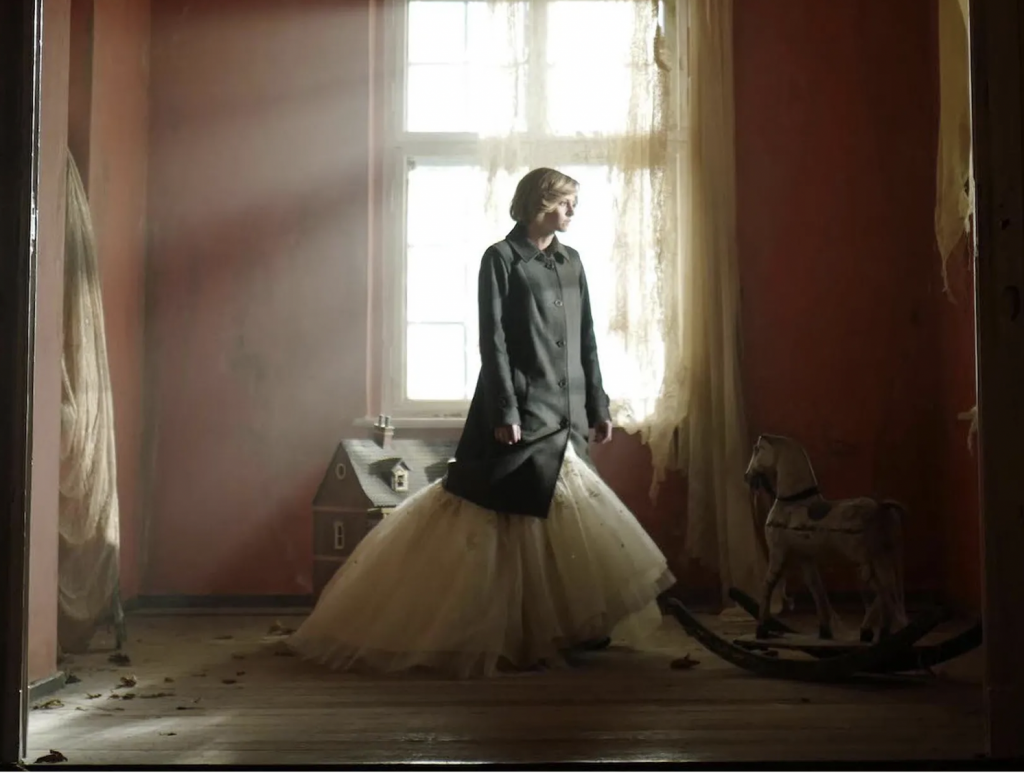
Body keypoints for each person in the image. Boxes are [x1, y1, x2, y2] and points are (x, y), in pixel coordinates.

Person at [288, 168, 675, 677]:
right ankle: (512, 632)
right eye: (566, 202)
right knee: (509, 516)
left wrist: (598, 405)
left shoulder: (572, 260)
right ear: (540, 202)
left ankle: (569, 627)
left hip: (569, 413)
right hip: (523, 411)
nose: (572, 212)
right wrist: (505, 411)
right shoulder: (501, 258)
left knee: (564, 522)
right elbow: (493, 343)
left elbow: (587, 338)